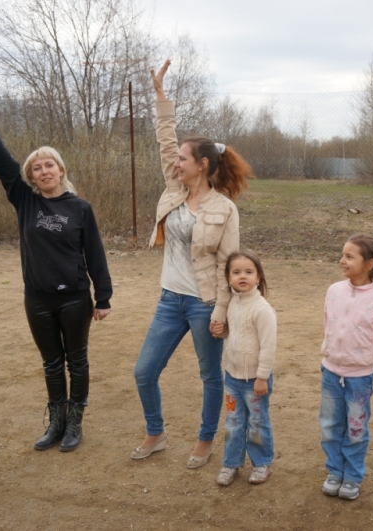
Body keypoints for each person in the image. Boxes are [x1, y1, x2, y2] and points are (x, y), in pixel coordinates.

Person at [0, 91, 112, 453]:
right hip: (37, 299)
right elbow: (0, 160)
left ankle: (75, 422)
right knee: (51, 363)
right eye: (36, 168)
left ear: (61, 170)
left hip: (74, 298)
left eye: (49, 165)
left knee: (77, 360)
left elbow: (95, 254)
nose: (43, 171)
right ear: (30, 176)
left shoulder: (80, 208)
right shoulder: (25, 201)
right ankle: (56, 422)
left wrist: (102, 296)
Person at [131, 60, 254, 468]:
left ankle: (205, 439)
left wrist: (221, 311)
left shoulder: (224, 209)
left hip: (203, 304)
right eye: (178, 158)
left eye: (185, 158)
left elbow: (229, 265)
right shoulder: (174, 188)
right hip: (170, 300)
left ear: (202, 165)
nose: (177, 162)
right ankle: (156, 431)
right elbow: (166, 140)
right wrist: (161, 96)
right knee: (144, 372)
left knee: (210, 376)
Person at [319, 234, 373, 501]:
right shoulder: (334, 290)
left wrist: (370, 364)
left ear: (369, 264)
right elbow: (328, 323)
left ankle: (352, 476)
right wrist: (331, 353)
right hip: (330, 372)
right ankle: (334, 471)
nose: (342, 260)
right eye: (343, 255)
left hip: (360, 378)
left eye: (350, 256)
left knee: (355, 428)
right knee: (329, 425)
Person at [209, 251, 277, 486]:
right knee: (233, 421)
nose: (242, 276)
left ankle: (261, 463)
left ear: (258, 277)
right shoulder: (232, 303)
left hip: (254, 381)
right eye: (236, 272)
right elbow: (236, 334)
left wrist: (261, 378)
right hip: (232, 378)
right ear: (228, 278)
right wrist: (223, 332)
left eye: (249, 272)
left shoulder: (262, 309)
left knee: (257, 422)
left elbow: (268, 347)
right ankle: (231, 464)